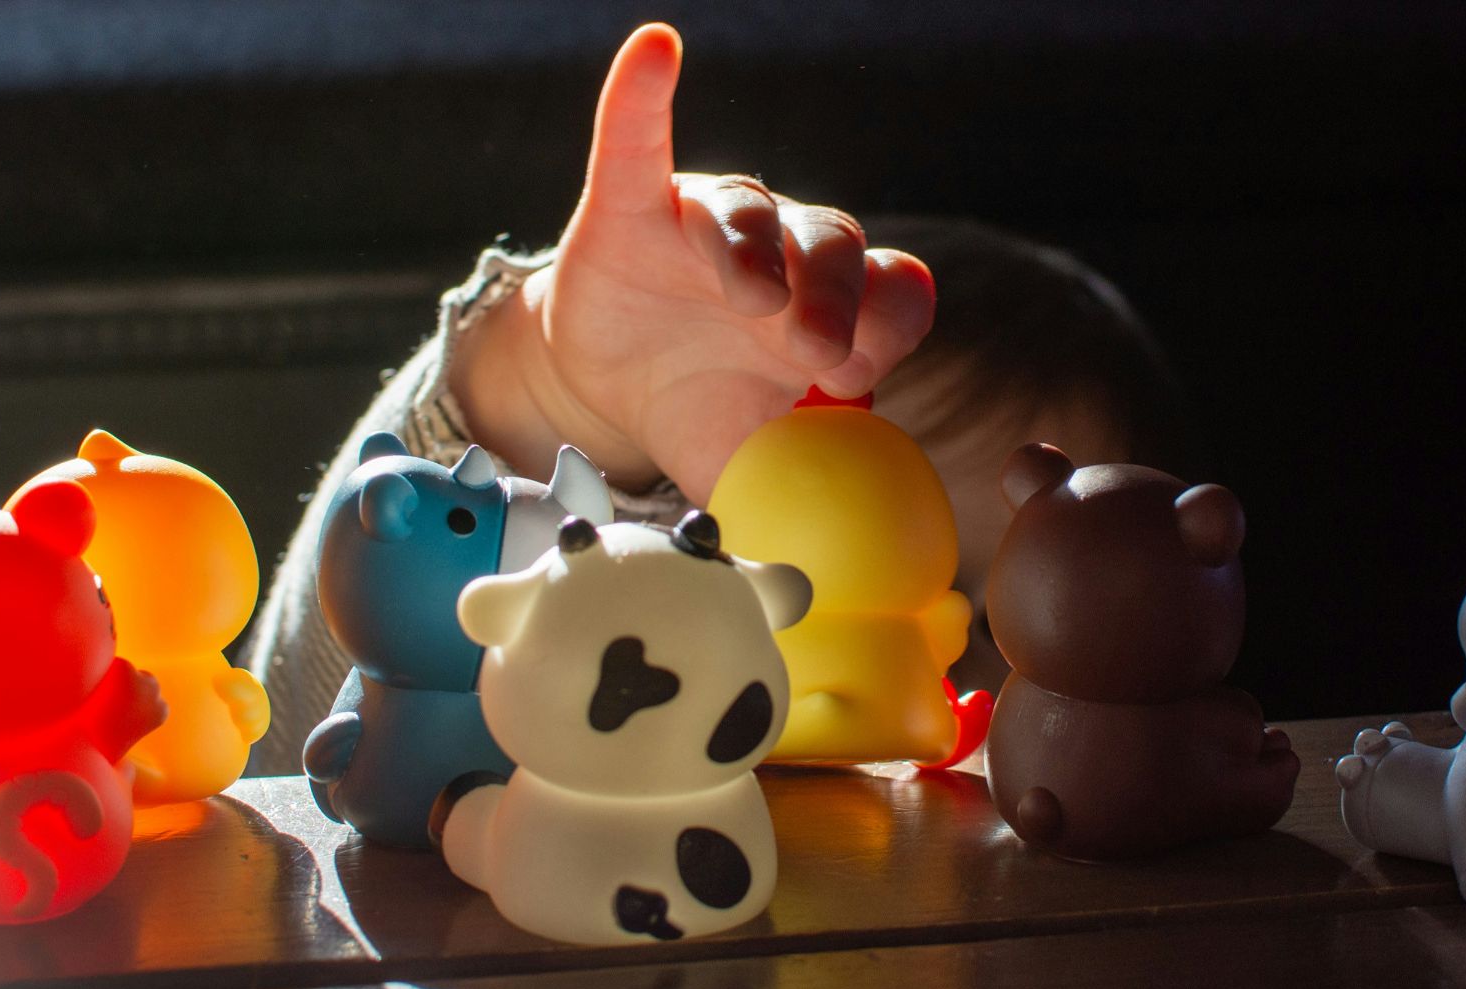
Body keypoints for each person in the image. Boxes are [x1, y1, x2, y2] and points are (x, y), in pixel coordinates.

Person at [244, 23, 1183, 775]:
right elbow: (313, 737)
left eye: (1009, 632)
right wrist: (548, 392)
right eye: (834, 573)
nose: (943, 659)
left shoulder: (1073, 839)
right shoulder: (597, 722)